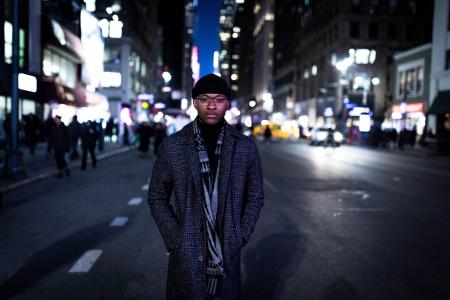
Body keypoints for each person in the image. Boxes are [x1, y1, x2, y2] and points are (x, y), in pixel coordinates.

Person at [148, 74, 264, 299]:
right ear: (194, 102)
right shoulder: (173, 145)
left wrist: (240, 235)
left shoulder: (245, 148)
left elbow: (255, 196)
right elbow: (157, 196)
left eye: (219, 99)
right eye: (204, 98)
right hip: (186, 253)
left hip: (227, 253)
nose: (212, 105)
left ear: (227, 103)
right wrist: (175, 239)